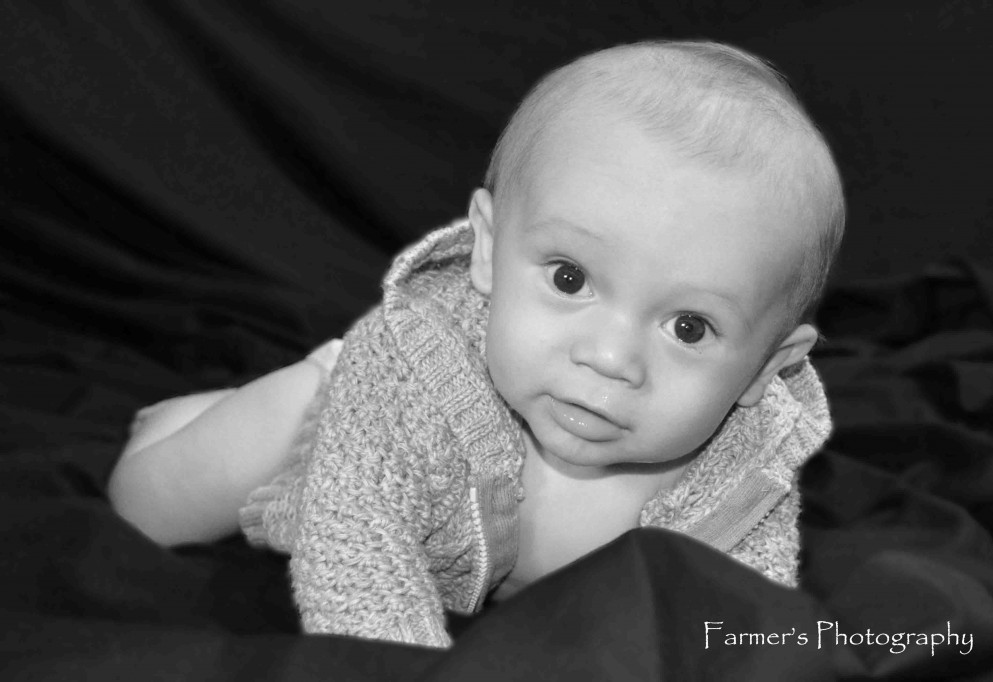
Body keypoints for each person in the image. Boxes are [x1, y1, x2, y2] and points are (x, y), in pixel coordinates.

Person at [107, 39, 845, 648]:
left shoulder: (747, 470)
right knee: (146, 508)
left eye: (689, 327)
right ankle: (200, 413)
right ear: (487, 251)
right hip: (342, 427)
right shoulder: (410, 382)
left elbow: (743, 622)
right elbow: (362, 558)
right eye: (569, 277)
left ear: (765, 368)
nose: (610, 359)